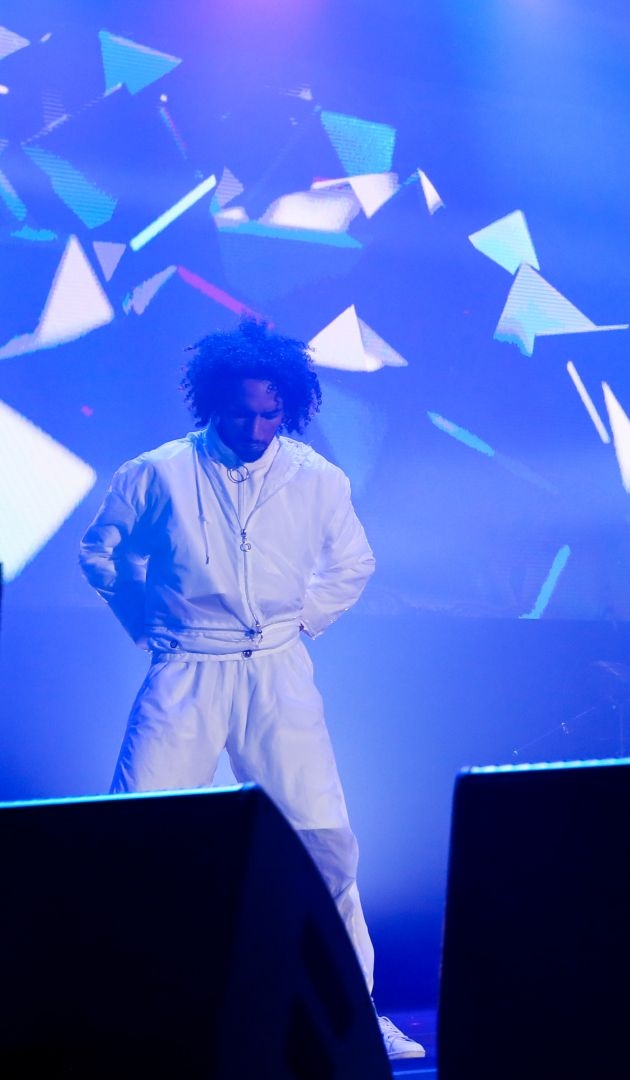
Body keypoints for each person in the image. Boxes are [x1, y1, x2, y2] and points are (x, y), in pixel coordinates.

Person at [78, 318, 425, 1061]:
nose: (258, 429)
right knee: (140, 830)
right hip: (186, 667)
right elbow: (102, 553)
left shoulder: (317, 478)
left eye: (272, 413)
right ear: (212, 403)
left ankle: (356, 1013)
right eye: (243, 414)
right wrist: (148, 624)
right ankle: (130, 1013)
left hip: (276, 671)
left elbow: (353, 562)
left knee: (322, 838)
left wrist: (302, 620)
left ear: (290, 406)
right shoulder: (156, 472)